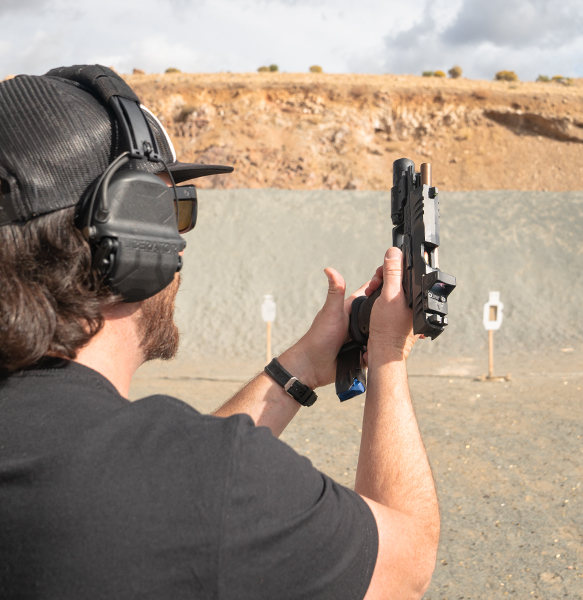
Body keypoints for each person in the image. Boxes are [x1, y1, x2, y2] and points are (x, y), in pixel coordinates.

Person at [0, 65, 439, 600]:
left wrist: (299, 367)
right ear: (132, 235)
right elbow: (406, 565)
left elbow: (163, 487)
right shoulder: (200, 477)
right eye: (171, 210)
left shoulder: (155, 475)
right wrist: (388, 353)